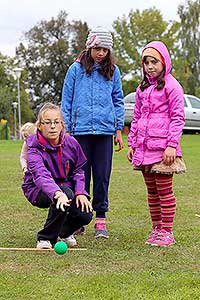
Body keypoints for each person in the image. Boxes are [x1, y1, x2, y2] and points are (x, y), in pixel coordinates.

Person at [61, 26, 124, 239]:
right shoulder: (75, 70)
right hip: (79, 132)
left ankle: (101, 219)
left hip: (105, 133)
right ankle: (80, 218)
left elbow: (118, 101)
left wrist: (118, 130)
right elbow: (66, 101)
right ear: (89, 47)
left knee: (102, 176)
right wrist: (66, 130)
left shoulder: (113, 71)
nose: (101, 53)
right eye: (97, 48)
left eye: (105, 49)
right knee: (80, 175)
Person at [127, 41, 186, 247]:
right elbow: (136, 118)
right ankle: (157, 228)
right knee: (151, 191)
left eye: (155, 62)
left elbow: (178, 117)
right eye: (146, 62)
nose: (150, 66)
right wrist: (132, 143)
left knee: (164, 190)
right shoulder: (142, 88)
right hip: (144, 149)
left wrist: (171, 145)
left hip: (163, 150)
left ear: (164, 62)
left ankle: (167, 232)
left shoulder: (172, 86)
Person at [21, 103, 93, 249]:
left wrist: (80, 192)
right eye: (47, 123)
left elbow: (78, 170)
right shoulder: (33, 148)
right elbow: (41, 176)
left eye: (56, 122)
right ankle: (45, 238)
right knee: (64, 194)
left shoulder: (72, 143)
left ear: (62, 125)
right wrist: (57, 193)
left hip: (65, 187)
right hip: (37, 189)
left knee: (85, 212)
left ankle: (65, 233)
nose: (52, 126)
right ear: (39, 126)